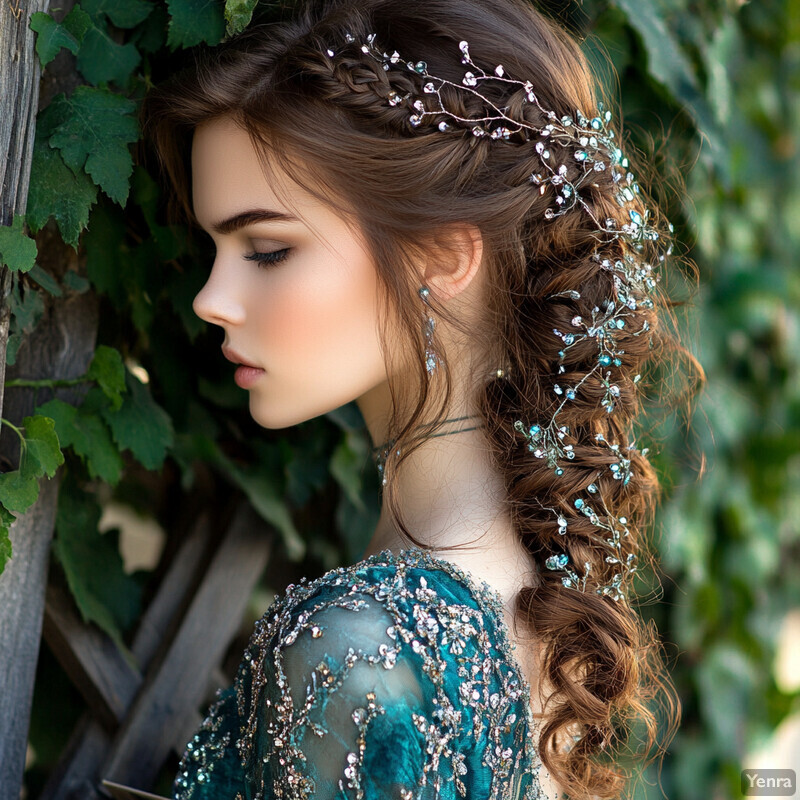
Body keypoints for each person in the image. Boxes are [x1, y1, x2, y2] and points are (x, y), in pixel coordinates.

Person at [141, 0, 688, 796]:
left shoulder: (359, 650)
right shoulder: (541, 611)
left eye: (266, 250)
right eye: (214, 248)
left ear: (439, 255)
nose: (210, 298)